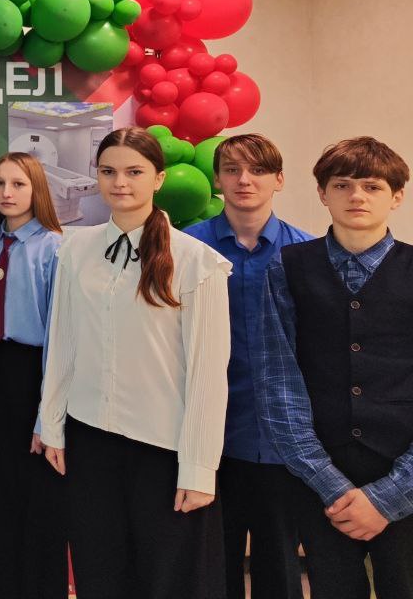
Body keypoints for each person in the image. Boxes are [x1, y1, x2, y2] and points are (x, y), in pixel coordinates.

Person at [40, 127, 231, 599]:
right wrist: (52, 425)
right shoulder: (75, 249)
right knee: (99, 572)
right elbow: (63, 343)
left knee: (166, 580)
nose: (119, 182)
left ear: (159, 178)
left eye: (134, 172)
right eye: (108, 171)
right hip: (89, 438)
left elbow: (208, 376)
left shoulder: (197, 261)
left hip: (162, 447)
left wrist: (199, 468)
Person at [258, 136, 413, 599]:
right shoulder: (287, 267)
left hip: (404, 468)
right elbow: (278, 380)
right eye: (342, 185)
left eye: (372, 186)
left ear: (397, 196)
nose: (356, 196)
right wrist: (328, 482)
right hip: (320, 473)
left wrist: (393, 495)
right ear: (322, 193)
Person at [185, 134, 312, 599]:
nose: (244, 180)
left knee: (280, 564)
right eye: (232, 170)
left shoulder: (305, 253)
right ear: (217, 180)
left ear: (279, 179)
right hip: (207, 436)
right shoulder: (187, 248)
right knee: (211, 567)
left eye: (258, 170)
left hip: (282, 440)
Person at [0, 152, 68, 599]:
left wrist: (47, 418)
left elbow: (60, 338)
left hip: (33, 376)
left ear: (36, 190)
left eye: (18, 184)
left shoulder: (55, 247)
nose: (7, 193)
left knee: (38, 507)